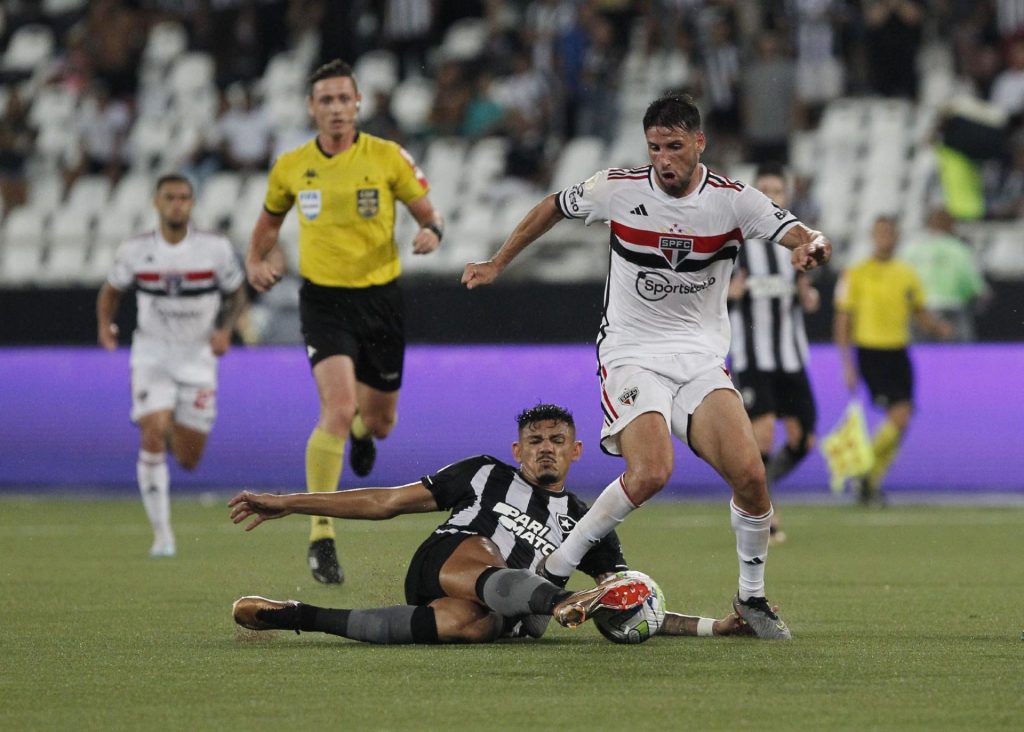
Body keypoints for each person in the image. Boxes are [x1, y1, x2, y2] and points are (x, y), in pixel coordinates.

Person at [462, 93, 832, 640]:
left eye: (675, 147)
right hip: (631, 353)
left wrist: (812, 248)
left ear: (699, 143)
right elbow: (550, 206)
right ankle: (555, 570)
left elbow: (804, 233)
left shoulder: (734, 201)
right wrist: (498, 261)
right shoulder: (619, 187)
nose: (663, 159)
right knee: (652, 471)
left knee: (752, 478)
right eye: (655, 147)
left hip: (700, 359)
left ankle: (751, 600)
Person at [228, 404, 753, 644]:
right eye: (534, 441)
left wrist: (714, 626)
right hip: (447, 560)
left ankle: (300, 615)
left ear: (575, 451)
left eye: (555, 441)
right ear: (516, 450)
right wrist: (290, 503)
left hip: (492, 606)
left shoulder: (586, 520)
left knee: (473, 625)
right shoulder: (482, 472)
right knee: (484, 547)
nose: (544, 449)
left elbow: (631, 598)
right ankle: (555, 602)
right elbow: (386, 500)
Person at [244, 59, 444, 586]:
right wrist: (254, 261)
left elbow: (429, 213)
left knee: (378, 422)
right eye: (325, 100)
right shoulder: (291, 166)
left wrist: (432, 234)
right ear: (312, 108)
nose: (335, 108)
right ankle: (321, 532)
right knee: (335, 407)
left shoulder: (386, 157)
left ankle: (361, 431)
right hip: (324, 302)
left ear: (358, 104)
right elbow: (265, 226)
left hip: (380, 301)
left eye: (343, 99)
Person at [96, 174, 247, 557]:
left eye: (183, 197)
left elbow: (237, 294)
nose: (177, 204)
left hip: (198, 358)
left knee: (189, 457)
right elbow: (110, 292)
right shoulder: (135, 250)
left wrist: (226, 330)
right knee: (152, 431)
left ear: (192, 204)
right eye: (170, 197)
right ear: (156, 203)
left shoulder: (214, 248)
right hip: (152, 354)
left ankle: (162, 421)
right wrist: (105, 325)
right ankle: (163, 536)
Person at [727, 163, 821, 544]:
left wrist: (808, 295)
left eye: (776, 191)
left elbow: (806, 295)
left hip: (791, 356)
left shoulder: (798, 245)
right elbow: (709, 291)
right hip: (752, 357)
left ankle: (754, 489)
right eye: (762, 189)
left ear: (786, 196)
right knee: (762, 436)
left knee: (804, 440)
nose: (770, 197)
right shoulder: (734, 245)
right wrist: (727, 296)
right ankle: (765, 511)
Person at [833, 215, 953, 504]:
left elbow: (919, 311)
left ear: (897, 237)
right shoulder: (856, 273)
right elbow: (843, 319)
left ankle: (869, 484)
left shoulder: (906, 274)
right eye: (879, 232)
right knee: (899, 416)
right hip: (871, 352)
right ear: (872, 236)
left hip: (899, 352)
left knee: (904, 419)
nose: (884, 237)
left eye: (889, 232)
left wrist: (938, 327)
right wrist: (847, 364)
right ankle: (865, 473)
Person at [900, 207, 989, 342]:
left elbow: (902, 284)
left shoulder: (911, 249)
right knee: (959, 359)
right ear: (950, 225)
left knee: (919, 358)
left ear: (928, 224)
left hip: (920, 312)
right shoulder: (958, 249)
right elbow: (973, 286)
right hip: (952, 309)